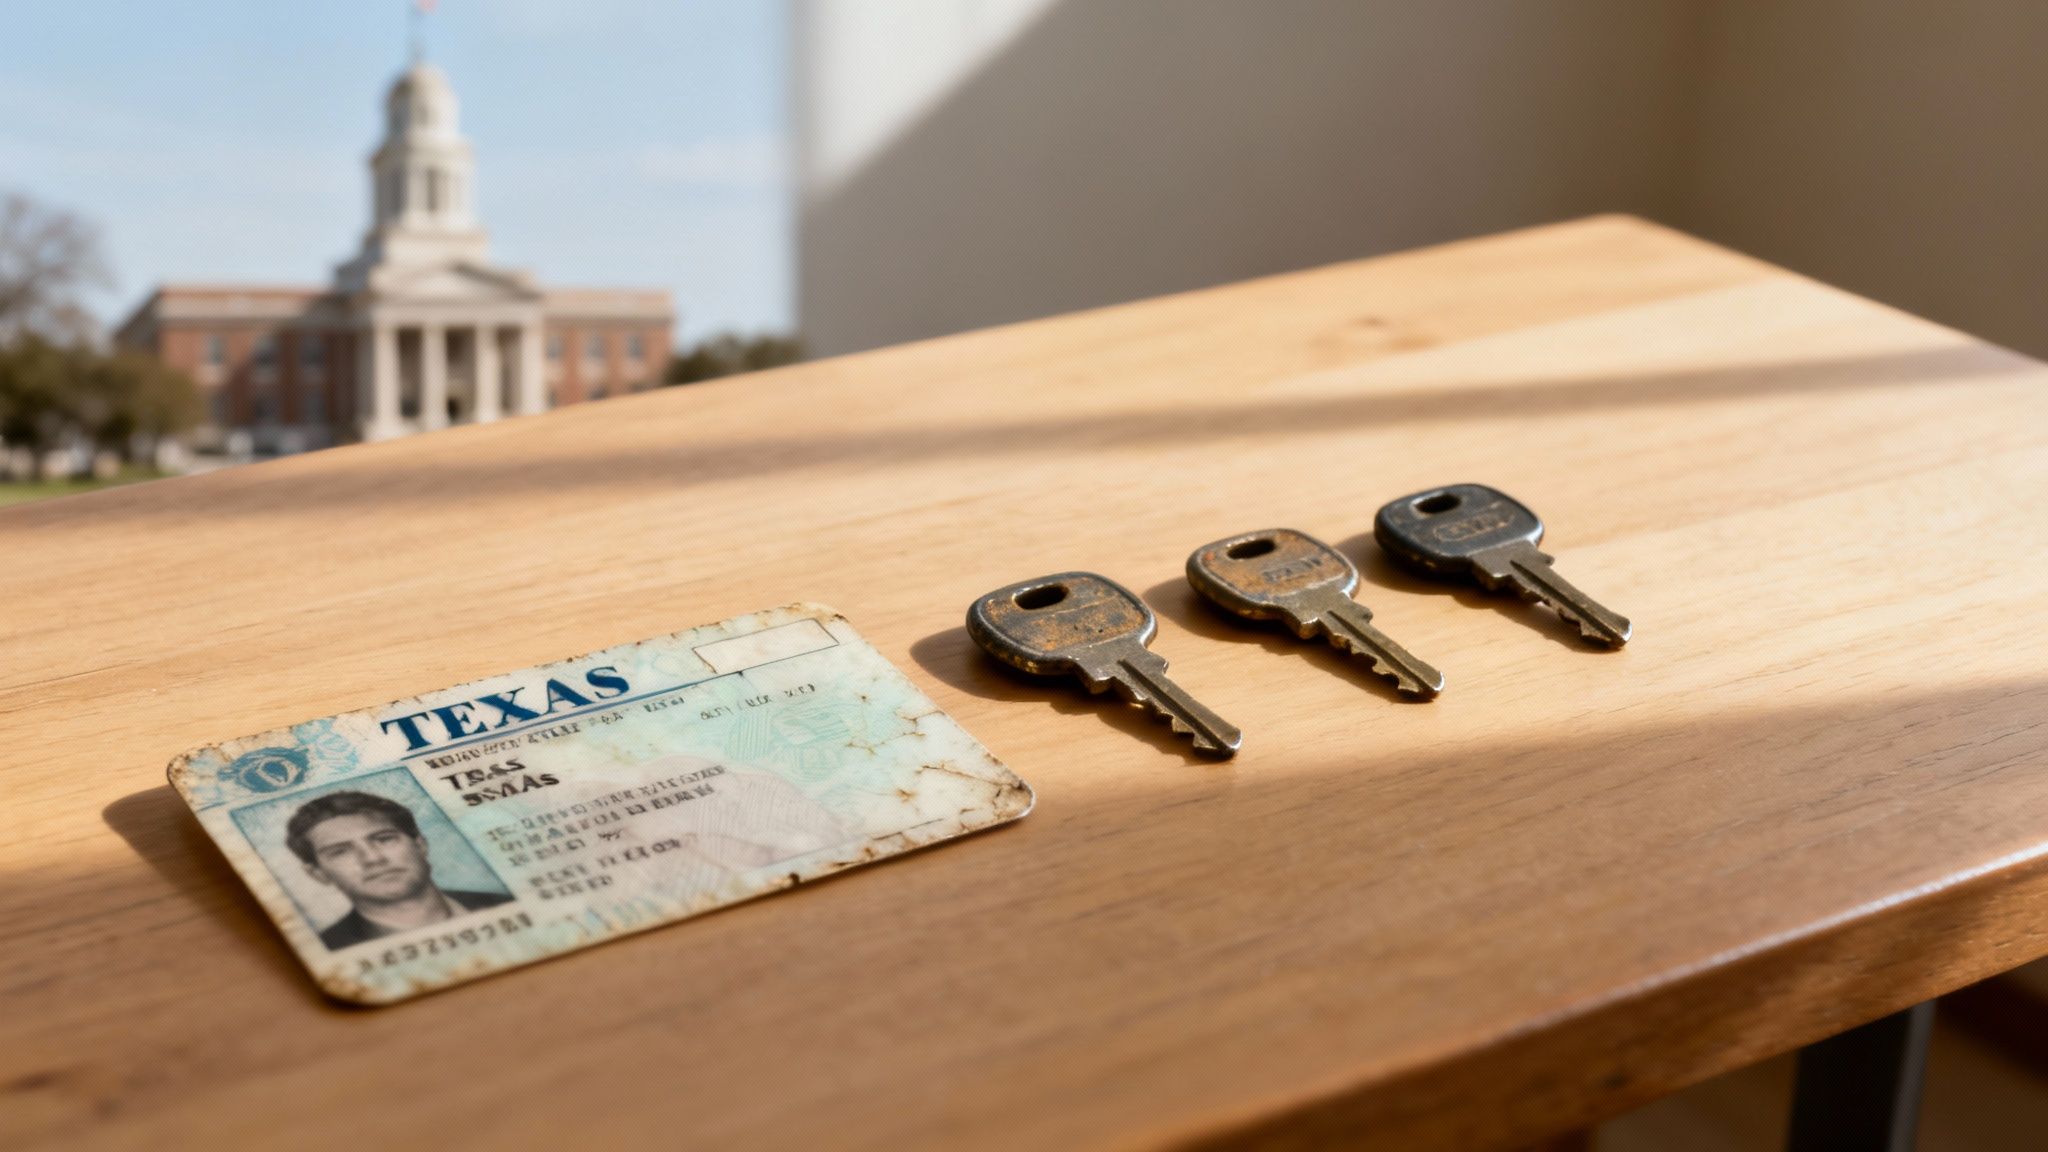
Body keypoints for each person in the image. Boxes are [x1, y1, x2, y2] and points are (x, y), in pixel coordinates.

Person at [284, 790, 510, 950]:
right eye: (340, 851)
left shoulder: (508, 903)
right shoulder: (330, 948)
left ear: (420, 846)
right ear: (318, 874)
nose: (373, 858)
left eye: (384, 839)